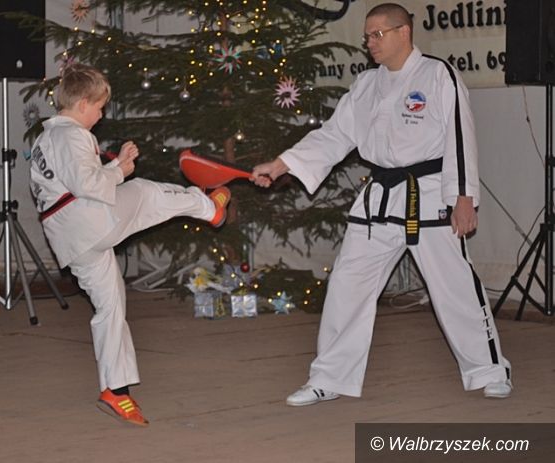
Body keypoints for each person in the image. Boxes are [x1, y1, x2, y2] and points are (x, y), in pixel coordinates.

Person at [252, 3, 512, 405]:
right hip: (380, 199)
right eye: (367, 36)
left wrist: (463, 197)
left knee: (455, 288)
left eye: (377, 35)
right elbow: (334, 135)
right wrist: (282, 164)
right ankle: (329, 378)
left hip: (430, 195)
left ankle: (490, 370)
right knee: (346, 286)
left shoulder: (437, 74)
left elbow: (460, 137)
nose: (369, 43)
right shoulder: (366, 84)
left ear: (404, 32)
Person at [29, 63, 231, 426]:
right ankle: (208, 208)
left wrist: (116, 165)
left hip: (71, 240)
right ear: (83, 103)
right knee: (145, 193)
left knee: (110, 306)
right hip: (88, 222)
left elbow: (76, 181)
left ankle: (116, 390)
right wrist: (121, 171)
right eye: (99, 107)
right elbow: (87, 184)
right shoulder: (73, 135)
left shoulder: (46, 139)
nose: (102, 114)